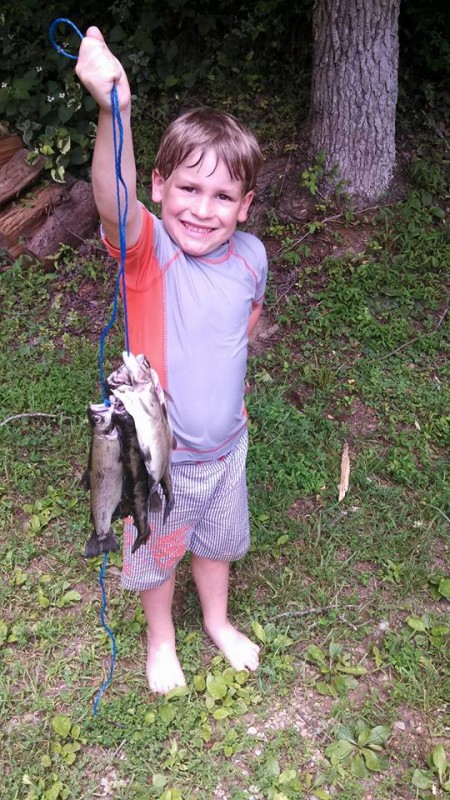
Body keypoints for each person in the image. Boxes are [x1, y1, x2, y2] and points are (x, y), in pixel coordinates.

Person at [76, 27, 268, 694]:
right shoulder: (149, 252)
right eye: (189, 188)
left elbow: (246, 320)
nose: (203, 209)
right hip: (163, 459)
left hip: (229, 449)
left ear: (245, 207)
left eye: (223, 198)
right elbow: (112, 199)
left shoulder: (252, 256)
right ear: (159, 187)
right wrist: (114, 112)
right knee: (158, 552)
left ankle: (215, 620)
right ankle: (161, 638)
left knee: (217, 543)